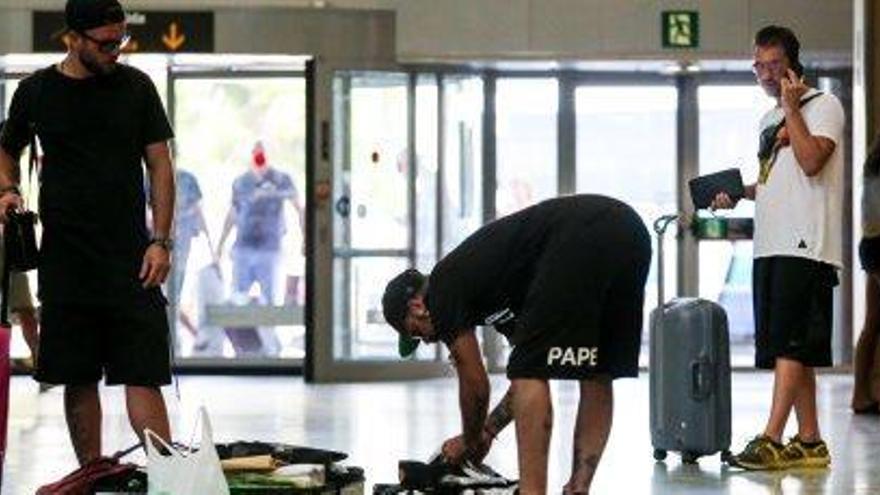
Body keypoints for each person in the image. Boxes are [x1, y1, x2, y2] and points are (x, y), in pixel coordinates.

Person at [0, 0, 175, 465]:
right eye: (105, 43)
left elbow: (160, 164)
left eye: (120, 41)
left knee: (144, 374)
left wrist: (161, 239)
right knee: (79, 378)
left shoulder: (136, 87)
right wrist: (9, 191)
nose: (115, 50)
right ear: (73, 38)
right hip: (66, 262)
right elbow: (6, 150)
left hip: (132, 260)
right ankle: (91, 475)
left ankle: (167, 478)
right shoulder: (35, 92)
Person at [381, 195, 652, 494]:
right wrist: (487, 431)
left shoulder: (442, 287)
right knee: (598, 370)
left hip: (577, 235)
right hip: (630, 233)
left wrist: (469, 443)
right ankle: (578, 488)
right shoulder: (498, 293)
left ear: (417, 306)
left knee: (529, 372)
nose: (428, 339)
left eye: (416, 332)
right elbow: (523, 380)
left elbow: (477, 385)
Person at [713, 25, 844, 470]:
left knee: (789, 345)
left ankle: (771, 437)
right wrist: (738, 193)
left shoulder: (823, 105)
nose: (766, 74)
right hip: (771, 242)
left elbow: (810, 161)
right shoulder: (766, 121)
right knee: (794, 345)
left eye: (773, 65)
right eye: (759, 66)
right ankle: (809, 442)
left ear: (792, 64)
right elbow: (775, 180)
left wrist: (792, 108)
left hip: (806, 243)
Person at [217, 141, 304, 306]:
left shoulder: (281, 180)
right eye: (255, 153)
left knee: (269, 301)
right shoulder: (241, 182)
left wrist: (305, 239)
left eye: (262, 153)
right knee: (238, 300)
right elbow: (233, 213)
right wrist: (220, 245)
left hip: (269, 248)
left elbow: (299, 208)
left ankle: (267, 331)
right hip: (243, 247)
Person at [852, 135, 880, 414]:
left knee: (872, 323)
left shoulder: (872, 166)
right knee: (872, 324)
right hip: (879, 243)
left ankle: (860, 395)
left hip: (871, 245)